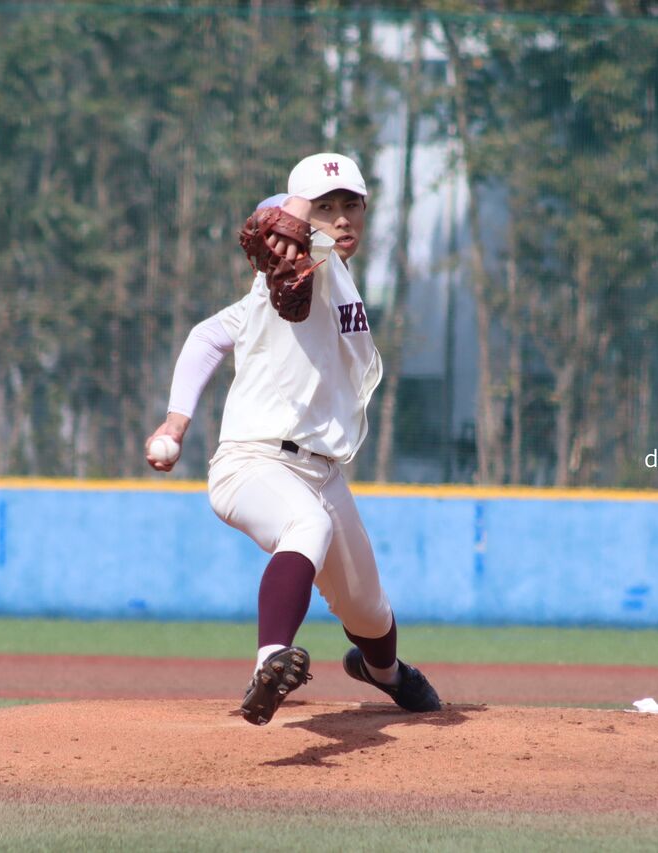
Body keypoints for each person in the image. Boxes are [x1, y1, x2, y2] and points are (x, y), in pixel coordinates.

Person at [143, 152, 441, 726]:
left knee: (369, 611)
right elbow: (283, 239)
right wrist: (176, 421)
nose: (341, 217)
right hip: (253, 462)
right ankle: (270, 662)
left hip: (322, 472)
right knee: (307, 525)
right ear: (299, 214)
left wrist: (176, 423)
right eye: (325, 207)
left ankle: (385, 673)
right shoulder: (298, 263)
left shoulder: (335, 277)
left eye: (351, 204)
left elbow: (207, 336)